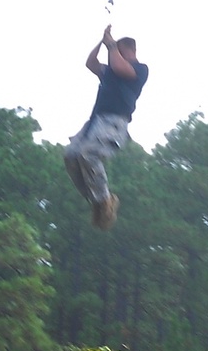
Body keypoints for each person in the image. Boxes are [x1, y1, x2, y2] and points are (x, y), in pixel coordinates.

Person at [63, 26, 149, 229]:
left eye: (117, 51)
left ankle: (105, 199)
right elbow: (91, 63)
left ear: (128, 50)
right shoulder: (110, 70)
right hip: (95, 121)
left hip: (114, 121)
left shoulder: (140, 69)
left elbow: (120, 68)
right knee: (71, 155)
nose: (113, 55)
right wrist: (102, 42)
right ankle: (97, 200)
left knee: (88, 154)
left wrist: (111, 45)